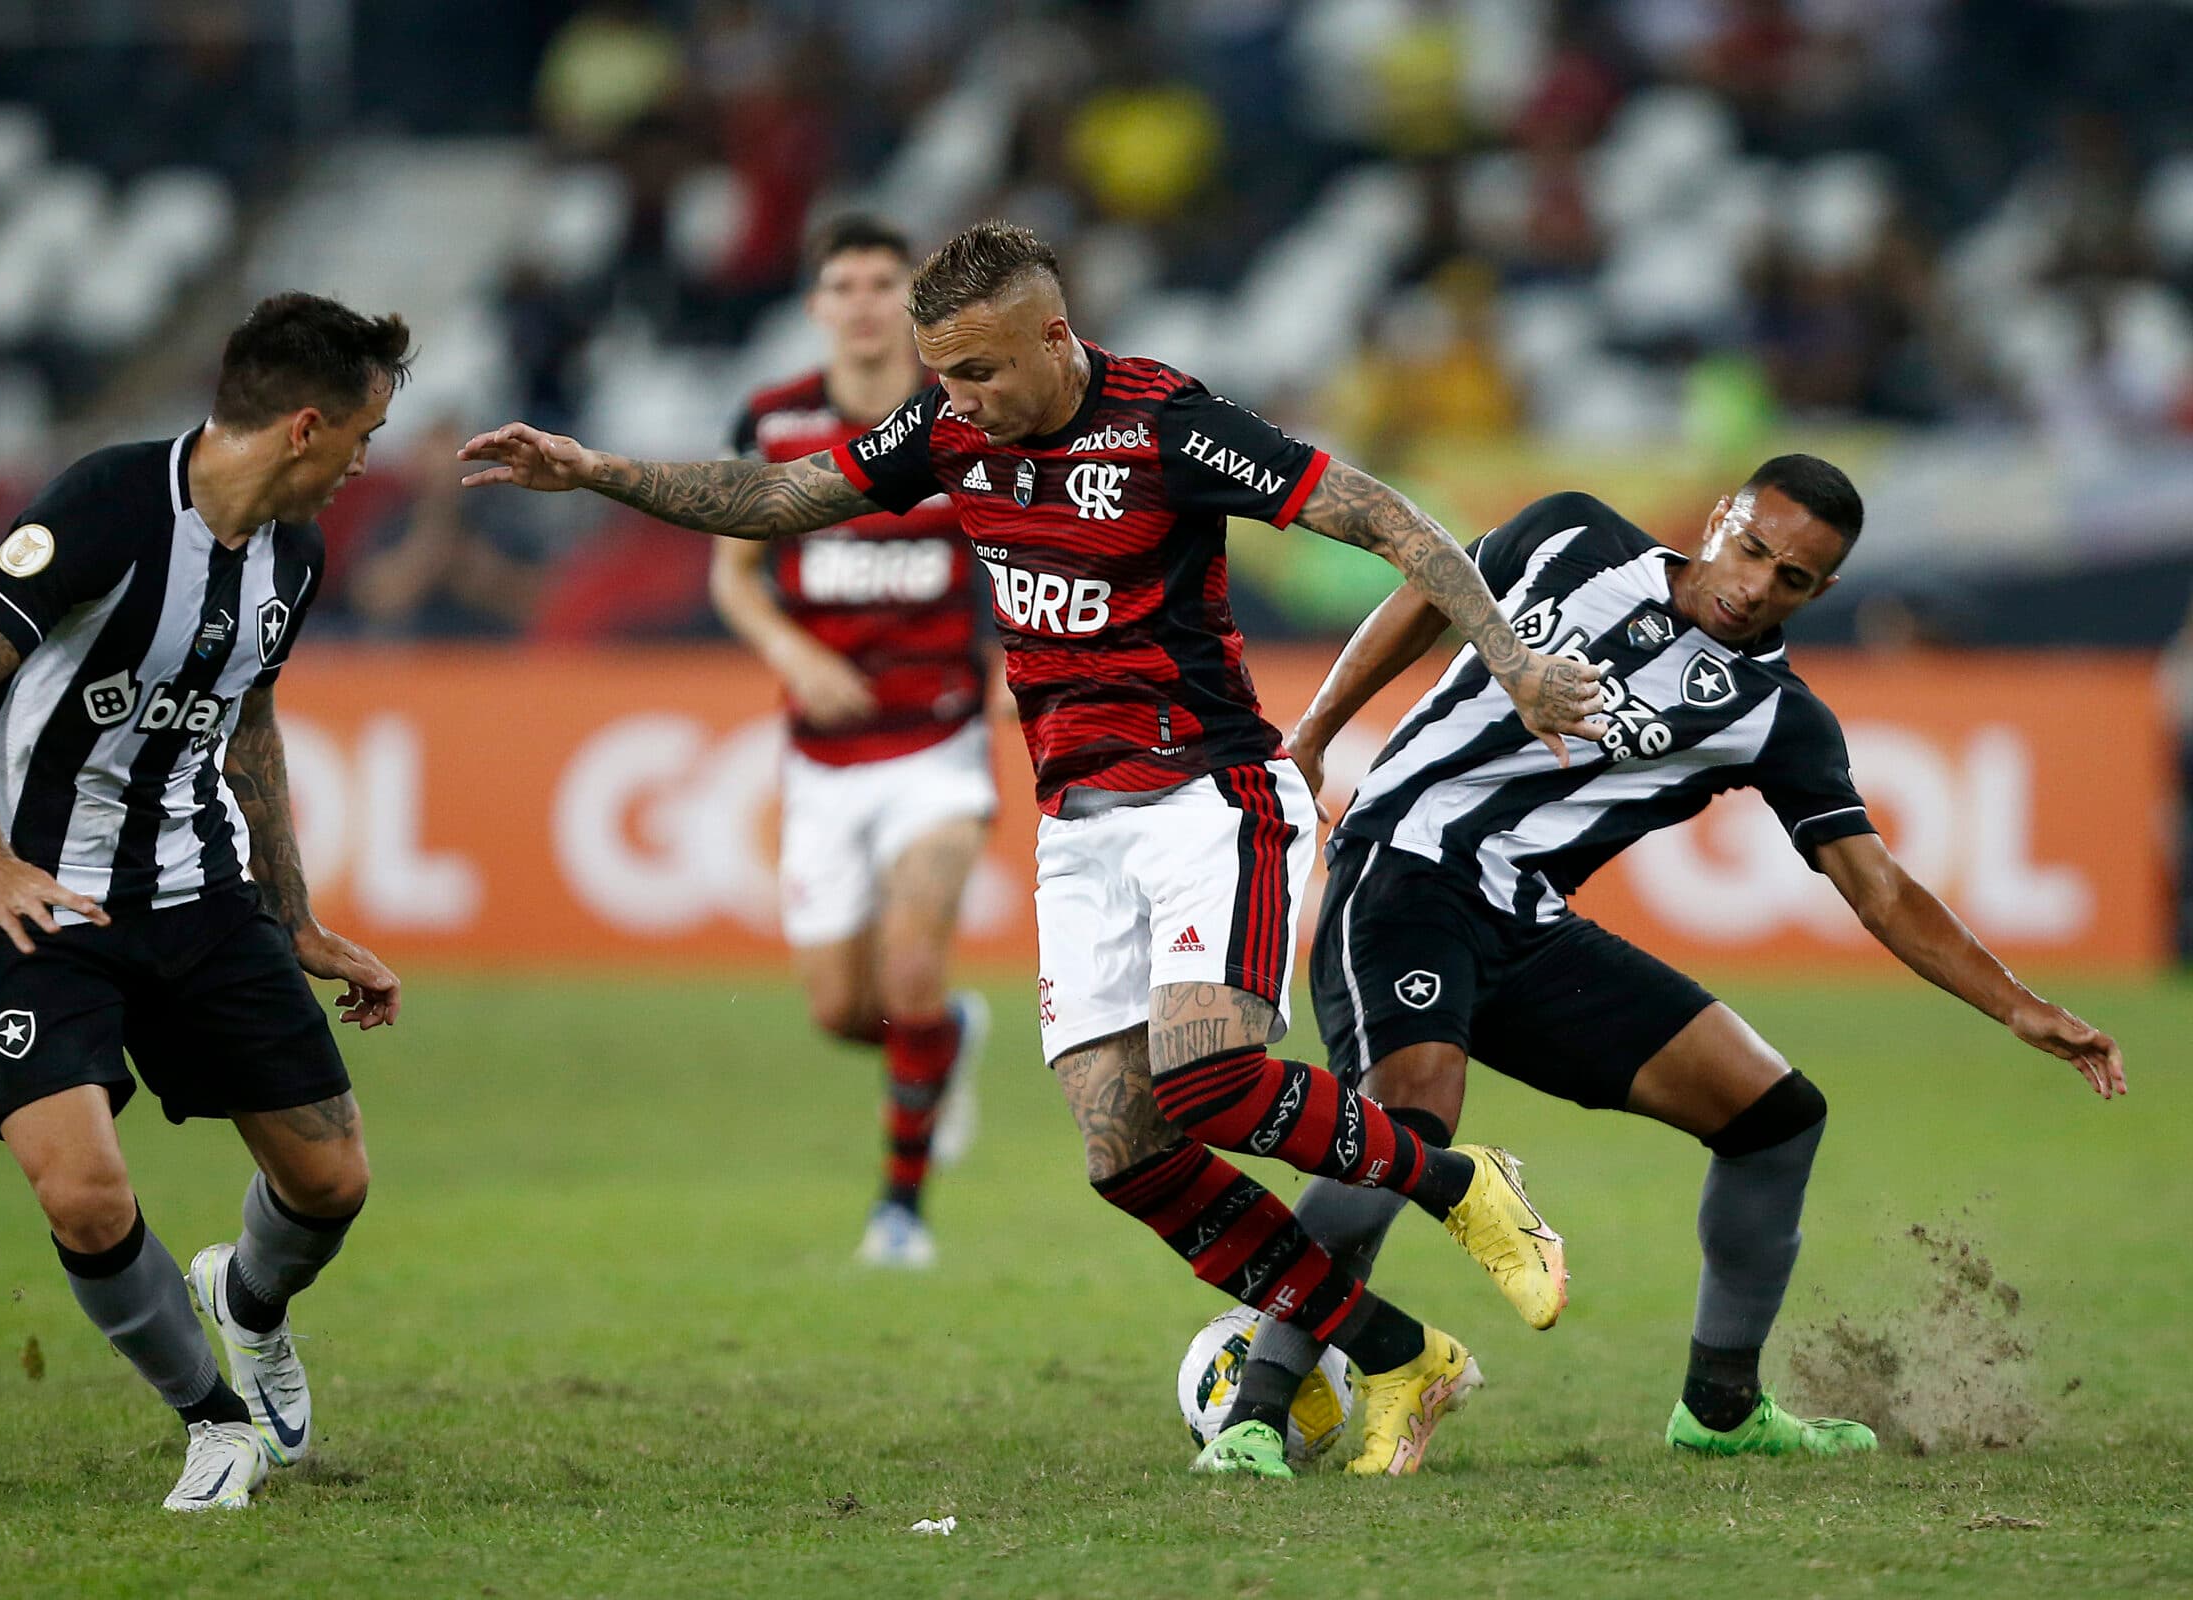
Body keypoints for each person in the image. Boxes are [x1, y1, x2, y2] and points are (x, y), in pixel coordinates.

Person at [459, 219, 1609, 1480]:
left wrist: (1513, 661)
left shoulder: (1168, 426)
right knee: (1124, 1151)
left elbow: (1386, 518)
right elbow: (785, 497)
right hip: (1077, 825)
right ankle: (1396, 1353)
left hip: (1209, 794)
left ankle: (1459, 1183)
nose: (955, 401)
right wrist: (596, 471)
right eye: (942, 375)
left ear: (1055, 337)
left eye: (979, 372)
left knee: (1207, 1079)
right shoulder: (950, 427)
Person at [1229, 456, 2127, 1474]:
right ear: (1718, 520)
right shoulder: (1573, 536)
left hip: (1525, 920)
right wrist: (1315, 732)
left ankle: (1722, 1407)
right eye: (1752, 549)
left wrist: (2016, 1006)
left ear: (1822, 591)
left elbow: (1878, 888)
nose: (1756, 585)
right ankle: (1255, 1415)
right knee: (1401, 1127)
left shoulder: (1777, 717)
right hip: (1404, 872)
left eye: (1792, 578)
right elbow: (1429, 591)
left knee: (1774, 1116)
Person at [0, 293, 412, 1512]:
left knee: (332, 1181)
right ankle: (214, 1423)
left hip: (195, 888)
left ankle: (248, 1302)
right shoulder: (111, 504)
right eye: (363, 437)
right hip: (35, 905)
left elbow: (249, 722)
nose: (362, 464)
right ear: (305, 427)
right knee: (83, 1194)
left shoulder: (293, 552)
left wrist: (296, 917)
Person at [710, 215, 997, 1269]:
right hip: (824, 760)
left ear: (913, 303)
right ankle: (949, 1036)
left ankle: (900, 1212)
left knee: (911, 970)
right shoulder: (774, 421)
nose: (866, 303)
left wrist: (1013, 670)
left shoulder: (962, 414)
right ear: (817, 305)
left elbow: (1024, 551)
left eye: (885, 283)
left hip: (938, 748)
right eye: (846, 284)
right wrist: (796, 656)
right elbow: (733, 576)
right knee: (844, 1011)